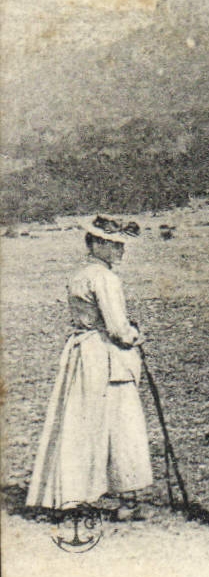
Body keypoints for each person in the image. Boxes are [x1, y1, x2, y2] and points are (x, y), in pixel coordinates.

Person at [27, 216, 154, 521]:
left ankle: (70, 494)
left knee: (79, 423)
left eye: (122, 245)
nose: (120, 251)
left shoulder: (80, 274)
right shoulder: (105, 278)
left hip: (83, 357)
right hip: (106, 358)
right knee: (123, 427)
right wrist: (135, 335)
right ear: (96, 244)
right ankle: (127, 500)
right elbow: (117, 328)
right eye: (114, 245)